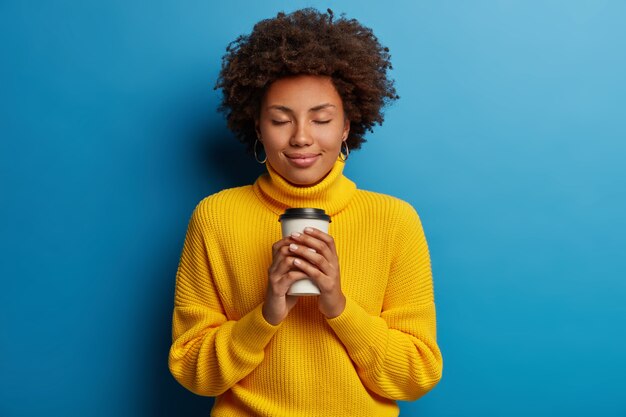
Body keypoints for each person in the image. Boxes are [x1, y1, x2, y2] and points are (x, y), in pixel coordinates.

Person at [168, 8, 443, 417]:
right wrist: (265, 315)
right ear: (257, 126)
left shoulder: (394, 220)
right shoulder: (216, 216)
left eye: (322, 118)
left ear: (347, 125)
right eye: (280, 119)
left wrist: (338, 305)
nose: (301, 137)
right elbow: (192, 372)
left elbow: (415, 375)